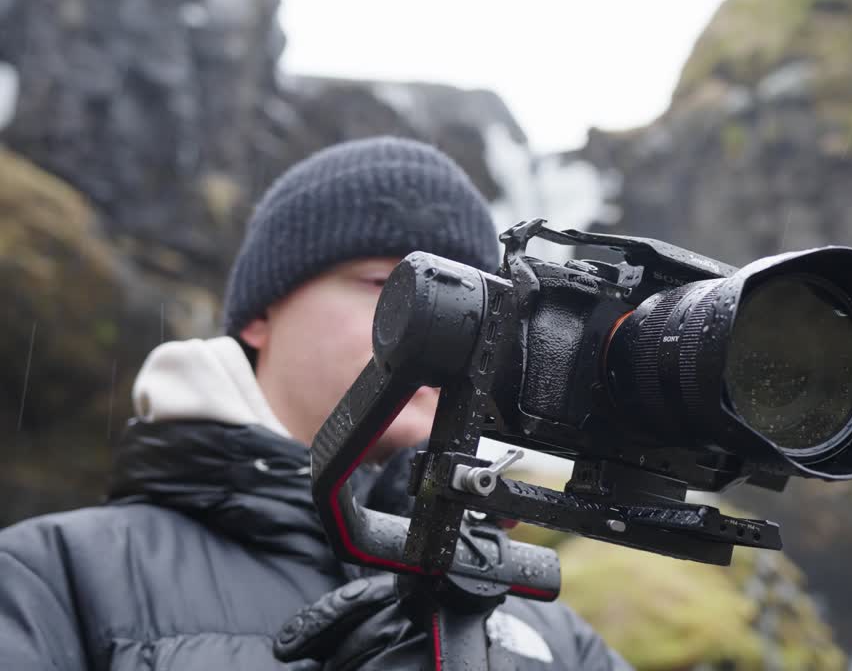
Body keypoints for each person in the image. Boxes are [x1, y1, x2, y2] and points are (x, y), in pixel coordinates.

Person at [0, 137, 630, 669]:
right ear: (260, 317)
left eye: (479, 307)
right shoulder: (47, 579)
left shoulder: (556, 637)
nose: (448, 332)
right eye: (392, 285)